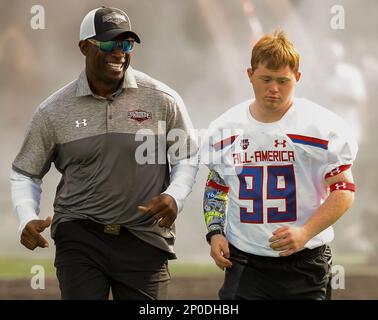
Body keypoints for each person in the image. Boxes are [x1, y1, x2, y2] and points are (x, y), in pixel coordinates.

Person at [10, 6, 198, 300]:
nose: (119, 52)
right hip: (80, 234)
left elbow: (186, 155)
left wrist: (175, 195)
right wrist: (25, 217)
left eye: (126, 44)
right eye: (109, 43)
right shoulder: (53, 111)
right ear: (85, 47)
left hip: (144, 237)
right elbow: (25, 173)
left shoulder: (162, 99)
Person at [201, 30, 357, 300]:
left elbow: (343, 190)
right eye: (266, 79)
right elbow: (216, 187)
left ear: (297, 78)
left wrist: (305, 231)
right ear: (250, 75)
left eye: (283, 81)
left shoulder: (320, 126)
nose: (274, 88)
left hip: (305, 263)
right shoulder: (225, 129)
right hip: (246, 263)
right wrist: (215, 232)